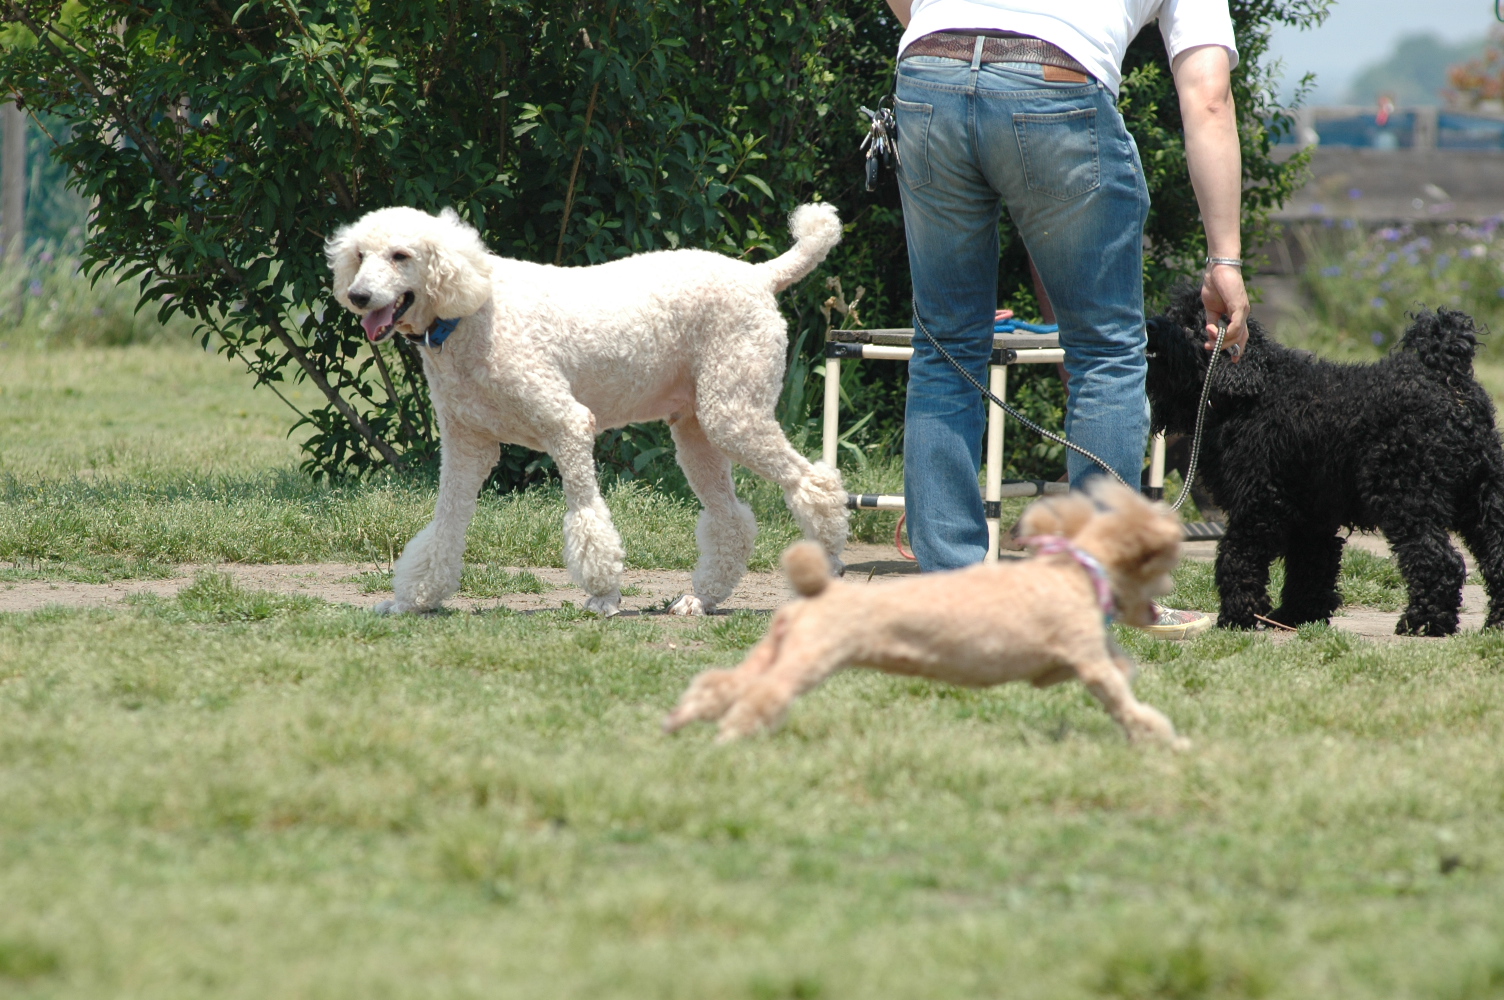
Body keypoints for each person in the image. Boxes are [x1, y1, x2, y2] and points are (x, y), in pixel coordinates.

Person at [885, 0, 1250, 638]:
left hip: (930, 69)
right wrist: (1225, 259)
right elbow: (1209, 98)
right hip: (1054, 80)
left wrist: (946, 35)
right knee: (1106, 352)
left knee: (945, 347)